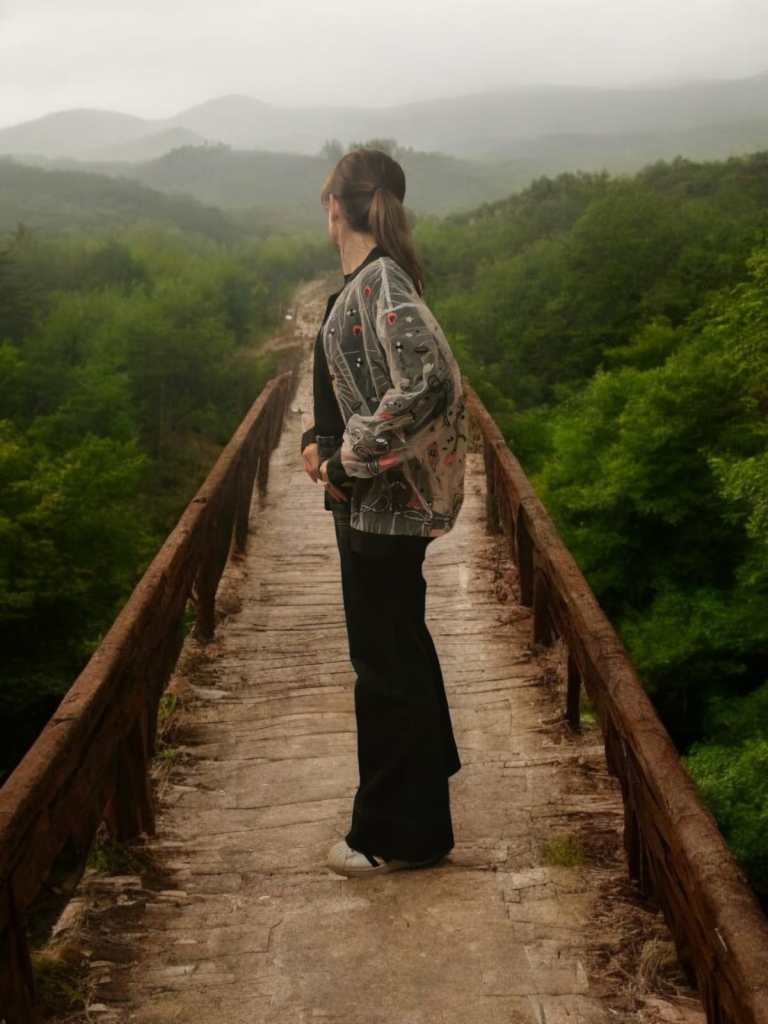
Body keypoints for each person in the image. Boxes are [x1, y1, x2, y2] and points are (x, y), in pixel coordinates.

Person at [300, 147, 467, 878]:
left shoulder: (381, 282)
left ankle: (398, 836)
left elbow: (426, 384)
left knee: (385, 669)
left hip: (385, 510)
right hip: (377, 510)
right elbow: (350, 380)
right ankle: (420, 804)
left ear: (337, 207)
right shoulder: (369, 282)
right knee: (398, 655)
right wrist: (318, 438)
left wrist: (347, 461)